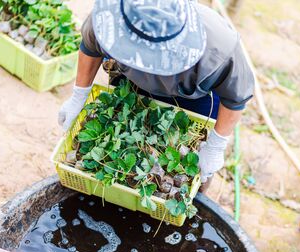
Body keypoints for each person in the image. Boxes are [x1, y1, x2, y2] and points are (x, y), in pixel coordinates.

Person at [58, 0, 254, 183]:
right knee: (127, 141)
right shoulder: (110, 17)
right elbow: (90, 45)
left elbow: (236, 98)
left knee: (191, 172)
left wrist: (216, 145)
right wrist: (79, 95)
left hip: (194, 97)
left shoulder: (218, 47)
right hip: (131, 81)